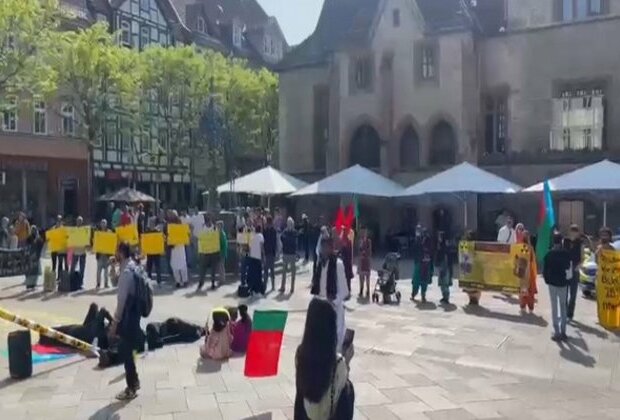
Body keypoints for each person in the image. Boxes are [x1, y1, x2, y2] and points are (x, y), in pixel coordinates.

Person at [294, 298, 355, 420]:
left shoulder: (300, 354)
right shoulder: (338, 363)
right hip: (329, 415)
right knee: (348, 388)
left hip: (305, 415)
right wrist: (347, 361)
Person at [109, 243, 141, 400]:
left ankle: (131, 388)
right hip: (135, 314)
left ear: (121, 253)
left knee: (126, 352)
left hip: (128, 316)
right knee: (129, 350)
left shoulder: (127, 271)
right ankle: (134, 381)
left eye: (116, 251)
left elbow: (121, 300)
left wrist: (115, 322)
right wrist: (113, 268)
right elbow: (115, 282)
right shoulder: (132, 265)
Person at [311, 237, 348, 352]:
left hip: (334, 309)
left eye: (326, 247)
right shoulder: (319, 265)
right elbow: (317, 288)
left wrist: (333, 302)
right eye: (322, 248)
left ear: (331, 249)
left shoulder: (338, 265)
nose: (323, 250)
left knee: (334, 343)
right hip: (321, 309)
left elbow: (344, 291)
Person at [543, 233, 571, 341]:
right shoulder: (566, 254)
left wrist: (547, 280)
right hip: (563, 284)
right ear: (561, 241)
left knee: (554, 308)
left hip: (552, 284)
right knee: (563, 307)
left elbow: (545, 270)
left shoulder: (549, 254)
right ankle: (563, 332)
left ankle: (557, 332)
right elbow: (569, 268)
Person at [565, 224, 585, 320]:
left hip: (575, 268)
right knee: (564, 292)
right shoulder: (565, 241)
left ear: (578, 233)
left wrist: (578, 266)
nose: (573, 233)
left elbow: (583, 258)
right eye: (572, 231)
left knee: (573, 294)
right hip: (565, 268)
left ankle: (570, 314)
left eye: (575, 231)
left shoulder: (580, 243)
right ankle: (564, 311)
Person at [197, 214, 220, 291]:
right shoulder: (202, 229)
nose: (209, 223)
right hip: (205, 253)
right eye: (207, 221)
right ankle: (201, 282)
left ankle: (213, 283)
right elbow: (200, 241)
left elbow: (217, 240)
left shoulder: (215, 228)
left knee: (213, 270)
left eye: (209, 221)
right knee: (202, 270)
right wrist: (200, 252)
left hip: (214, 252)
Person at [518, 231, 538, 312]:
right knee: (524, 288)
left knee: (529, 289)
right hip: (524, 270)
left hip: (528, 270)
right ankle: (524, 306)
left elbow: (532, 259)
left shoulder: (529, 247)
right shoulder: (520, 246)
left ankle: (529, 306)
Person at [411, 232, 433, 303]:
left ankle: (415, 294)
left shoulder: (420, 244)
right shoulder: (427, 246)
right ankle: (421, 295)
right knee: (423, 281)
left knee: (417, 281)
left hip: (421, 265)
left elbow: (415, 251)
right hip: (425, 265)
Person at [169, 211, 188, 288]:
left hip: (180, 246)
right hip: (173, 247)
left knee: (182, 263)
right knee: (174, 264)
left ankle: (185, 280)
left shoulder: (180, 222)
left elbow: (184, 232)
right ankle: (178, 281)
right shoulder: (169, 224)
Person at [280, 217, 298, 293]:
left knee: (293, 272)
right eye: (288, 223)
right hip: (286, 253)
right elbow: (282, 238)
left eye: (290, 223)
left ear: (292, 224)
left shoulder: (294, 232)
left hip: (292, 254)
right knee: (284, 272)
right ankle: (283, 287)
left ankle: (292, 288)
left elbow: (295, 242)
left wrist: (287, 240)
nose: (289, 224)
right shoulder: (285, 231)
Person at [247, 224, 265, 295]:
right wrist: (263, 256)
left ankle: (252, 288)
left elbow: (249, 247)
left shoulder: (252, 236)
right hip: (258, 257)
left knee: (252, 273)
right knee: (258, 273)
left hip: (252, 256)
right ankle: (258, 289)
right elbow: (261, 247)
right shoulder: (260, 236)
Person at [70, 216, 87, 288]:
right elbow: (70, 240)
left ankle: (80, 282)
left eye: (80, 221)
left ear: (82, 222)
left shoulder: (85, 230)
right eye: (78, 221)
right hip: (75, 252)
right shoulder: (73, 230)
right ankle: (71, 281)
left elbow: (87, 241)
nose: (79, 222)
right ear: (76, 222)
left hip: (82, 252)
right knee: (72, 268)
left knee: (82, 268)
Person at [25, 225, 44, 290]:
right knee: (30, 271)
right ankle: (29, 284)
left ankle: (33, 284)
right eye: (32, 230)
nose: (34, 231)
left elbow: (41, 246)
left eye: (35, 230)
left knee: (35, 271)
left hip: (36, 256)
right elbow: (27, 246)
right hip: (31, 256)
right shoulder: (29, 238)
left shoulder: (39, 238)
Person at [435, 231, 452, 304]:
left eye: (440, 237)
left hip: (444, 266)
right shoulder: (440, 245)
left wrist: (443, 268)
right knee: (442, 283)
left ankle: (446, 297)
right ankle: (444, 296)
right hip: (441, 265)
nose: (439, 238)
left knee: (445, 283)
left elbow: (445, 258)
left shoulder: (444, 247)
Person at [96, 219, 112, 288]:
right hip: (100, 254)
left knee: (106, 271)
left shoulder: (109, 232)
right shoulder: (98, 233)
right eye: (102, 223)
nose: (103, 225)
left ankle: (106, 284)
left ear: (106, 224)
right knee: (98, 271)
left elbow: (112, 241)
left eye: (104, 223)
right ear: (100, 224)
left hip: (106, 255)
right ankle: (98, 283)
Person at [263, 216, 278, 290]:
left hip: (271, 253)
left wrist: (275, 253)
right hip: (267, 252)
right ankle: (265, 285)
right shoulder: (265, 231)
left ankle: (272, 285)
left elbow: (274, 243)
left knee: (271, 269)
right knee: (266, 270)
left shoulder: (273, 231)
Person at [338, 229, 354, 299]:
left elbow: (349, 254)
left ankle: (348, 291)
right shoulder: (343, 242)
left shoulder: (348, 242)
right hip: (344, 263)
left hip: (347, 263)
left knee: (347, 278)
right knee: (344, 278)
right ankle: (345, 291)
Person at [50, 215, 67, 280]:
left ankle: (59, 277)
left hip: (61, 249)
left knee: (60, 263)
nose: (58, 222)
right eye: (57, 221)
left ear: (61, 222)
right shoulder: (53, 228)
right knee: (54, 264)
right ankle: (53, 278)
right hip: (54, 248)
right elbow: (49, 238)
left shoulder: (64, 229)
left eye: (60, 221)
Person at [357, 228, 372, 299]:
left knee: (367, 277)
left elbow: (370, 251)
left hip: (366, 260)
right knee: (361, 277)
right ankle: (361, 289)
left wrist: (365, 253)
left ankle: (368, 290)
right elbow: (359, 250)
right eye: (362, 232)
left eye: (365, 232)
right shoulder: (360, 241)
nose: (363, 234)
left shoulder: (369, 241)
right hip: (361, 260)